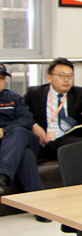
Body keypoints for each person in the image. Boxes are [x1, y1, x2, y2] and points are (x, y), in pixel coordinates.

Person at [25, 57, 82, 161]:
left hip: (70, 136)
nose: (66, 79)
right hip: (47, 140)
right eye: (61, 76)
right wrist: (34, 126)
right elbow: (23, 113)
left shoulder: (78, 93)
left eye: (70, 76)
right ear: (49, 77)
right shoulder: (34, 93)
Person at [0, 63, 45, 204]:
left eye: (2, 78)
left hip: (22, 138)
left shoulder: (13, 97)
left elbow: (26, 119)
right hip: (8, 147)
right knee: (26, 155)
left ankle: (3, 174)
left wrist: (4, 131)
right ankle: (40, 205)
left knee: (19, 132)